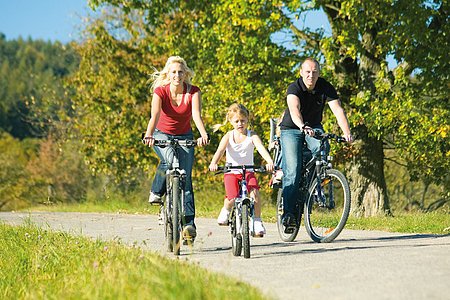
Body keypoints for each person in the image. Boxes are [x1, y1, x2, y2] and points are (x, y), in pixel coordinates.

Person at [279, 57, 353, 233]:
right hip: (292, 129)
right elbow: (294, 110)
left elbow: (337, 110)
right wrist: (302, 126)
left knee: (323, 148)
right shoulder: (294, 87)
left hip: (313, 127)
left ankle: (313, 183)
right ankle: (288, 214)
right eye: (307, 72)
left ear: (319, 73)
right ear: (301, 72)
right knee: (293, 169)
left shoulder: (325, 86)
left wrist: (347, 133)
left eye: (314, 72)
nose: (311, 75)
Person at [143, 56, 209, 243]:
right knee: (168, 161)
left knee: (186, 180)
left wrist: (203, 135)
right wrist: (149, 134)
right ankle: (157, 191)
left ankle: (189, 225)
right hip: (161, 134)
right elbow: (154, 115)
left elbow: (196, 115)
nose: (177, 75)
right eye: (173, 72)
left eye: (180, 72)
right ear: (168, 74)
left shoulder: (193, 92)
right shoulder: (160, 92)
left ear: (185, 74)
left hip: (185, 136)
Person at [209, 103, 274, 237]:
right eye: (237, 121)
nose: (240, 124)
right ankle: (226, 210)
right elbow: (220, 150)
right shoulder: (228, 136)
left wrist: (269, 161)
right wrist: (214, 163)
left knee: (255, 194)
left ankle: (256, 221)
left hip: (248, 171)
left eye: (243, 121)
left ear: (247, 120)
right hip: (232, 172)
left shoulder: (252, 135)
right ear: (231, 121)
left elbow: (261, 148)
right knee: (232, 198)